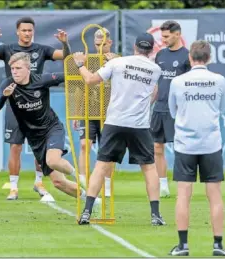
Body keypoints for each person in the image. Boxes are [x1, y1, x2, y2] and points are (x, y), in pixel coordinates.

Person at [73, 33, 165, 226]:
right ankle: (155, 215)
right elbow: (154, 92)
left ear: (134, 46)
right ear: (151, 49)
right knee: (149, 168)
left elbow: (90, 80)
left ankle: (87, 212)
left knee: (101, 166)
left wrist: (80, 64)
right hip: (139, 125)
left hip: (115, 122)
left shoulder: (118, 63)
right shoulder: (155, 69)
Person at [0, 16, 71, 200]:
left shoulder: (42, 49)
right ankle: (13, 187)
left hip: (36, 103)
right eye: (24, 30)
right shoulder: (7, 49)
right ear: (17, 32)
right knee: (16, 146)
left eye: (30, 30)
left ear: (33, 32)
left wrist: (65, 44)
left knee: (40, 144)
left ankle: (39, 182)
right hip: (16, 104)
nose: (27, 33)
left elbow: (65, 57)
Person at [0, 52, 101, 206]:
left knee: (53, 160)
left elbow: (68, 76)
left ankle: (80, 177)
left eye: (18, 68)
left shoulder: (42, 80)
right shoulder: (8, 84)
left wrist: (80, 64)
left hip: (51, 129)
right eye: (12, 68)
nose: (14, 72)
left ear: (28, 69)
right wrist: (5, 96)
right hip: (34, 138)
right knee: (58, 182)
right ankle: (91, 200)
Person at [167, 40, 225, 256]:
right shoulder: (219, 80)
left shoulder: (178, 81)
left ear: (190, 58)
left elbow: (172, 111)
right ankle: (218, 245)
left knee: (183, 194)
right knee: (215, 194)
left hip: (185, 144)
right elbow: (223, 108)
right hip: (211, 143)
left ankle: (183, 245)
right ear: (209, 58)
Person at [72, 27, 119, 197]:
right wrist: (77, 113)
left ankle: (106, 186)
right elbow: (79, 88)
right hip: (88, 110)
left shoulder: (117, 61)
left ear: (110, 43)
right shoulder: (88, 60)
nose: (99, 48)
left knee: (107, 151)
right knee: (85, 145)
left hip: (109, 112)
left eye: (103, 44)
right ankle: (84, 183)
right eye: (96, 44)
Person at [151, 21, 191, 197]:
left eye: (166, 37)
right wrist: (149, 105)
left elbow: (191, 85)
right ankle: (163, 185)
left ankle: (183, 184)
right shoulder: (160, 55)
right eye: (162, 37)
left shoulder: (187, 56)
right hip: (159, 108)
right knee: (157, 147)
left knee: (181, 148)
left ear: (177, 34)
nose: (163, 40)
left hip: (178, 110)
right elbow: (157, 84)